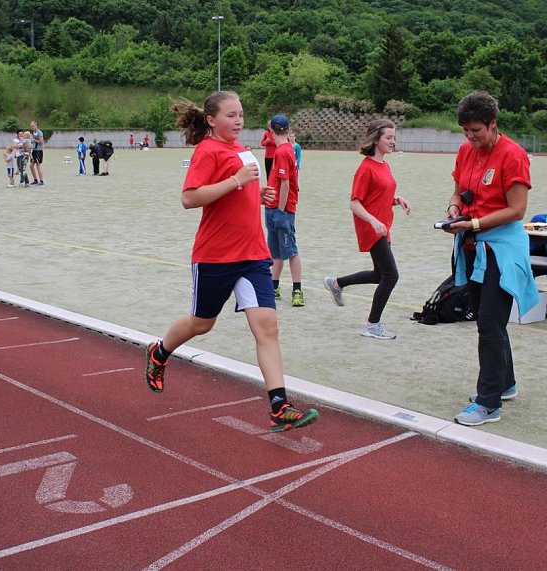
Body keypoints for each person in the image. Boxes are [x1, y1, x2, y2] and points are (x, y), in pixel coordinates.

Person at [144, 90, 319, 433]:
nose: (239, 120)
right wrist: (236, 181)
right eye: (230, 115)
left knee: (267, 328)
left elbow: (238, 196)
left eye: (241, 114)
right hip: (216, 256)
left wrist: (260, 195)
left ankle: (279, 406)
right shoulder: (207, 151)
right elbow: (189, 198)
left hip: (253, 255)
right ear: (211, 120)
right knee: (202, 323)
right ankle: (160, 352)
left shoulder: (243, 150)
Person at [441, 90, 537, 427]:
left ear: (493, 124)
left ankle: (488, 403)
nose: (470, 137)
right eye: (465, 131)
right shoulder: (466, 151)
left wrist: (475, 223)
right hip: (472, 244)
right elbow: (458, 190)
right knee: (488, 320)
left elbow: (517, 210)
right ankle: (505, 384)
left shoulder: (513, 155)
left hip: (501, 248)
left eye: (476, 130)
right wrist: (454, 209)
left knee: (489, 324)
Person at [323, 119, 411, 340]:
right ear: (376, 139)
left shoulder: (385, 165)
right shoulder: (365, 168)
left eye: (394, 137)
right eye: (388, 137)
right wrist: (372, 221)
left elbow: (379, 196)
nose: (393, 141)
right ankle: (372, 324)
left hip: (383, 225)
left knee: (379, 274)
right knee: (391, 276)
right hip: (372, 227)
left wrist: (397, 199)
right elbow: (355, 202)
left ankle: (336, 283)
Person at [263, 114, 305, 307]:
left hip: (282, 209)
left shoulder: (282, 152)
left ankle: (297, 289)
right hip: (274, 207)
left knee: (290, 251)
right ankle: (274, 286)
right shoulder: (286, 149)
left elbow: (286, 184)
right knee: (276, 252)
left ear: (271, 131)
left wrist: (280, 209)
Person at [29, 120, 45, 185]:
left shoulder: (39, 132)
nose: (32, 127)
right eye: (31, 126)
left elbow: (41, 141)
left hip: (39, 151)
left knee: (38, 166)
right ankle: (35, 180)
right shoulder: (33, 132)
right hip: (34, 151)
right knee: (31, 166)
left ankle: (41, 181)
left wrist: (34, 140)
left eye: (33, 126)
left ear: (36, 126)